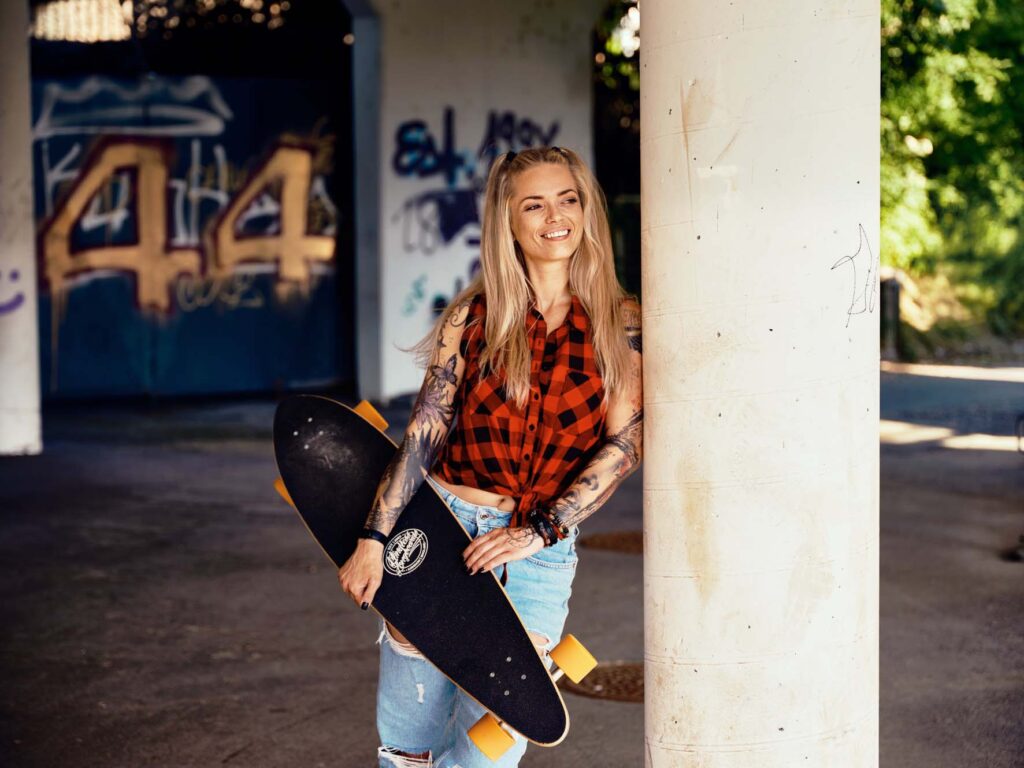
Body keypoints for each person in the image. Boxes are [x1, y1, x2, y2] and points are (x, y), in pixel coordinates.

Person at [338, 146, 643, 768]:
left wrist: (540, 531)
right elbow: (425, 429)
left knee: (494, 747)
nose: (554, 216)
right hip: (439, 529)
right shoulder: (471, 318)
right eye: (534, 204)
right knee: (408, 746)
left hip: (536, 553)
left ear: (586, 210)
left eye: (568, 199)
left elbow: (625, 445)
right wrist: (375, 537)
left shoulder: (622, 324)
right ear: (508, 221)